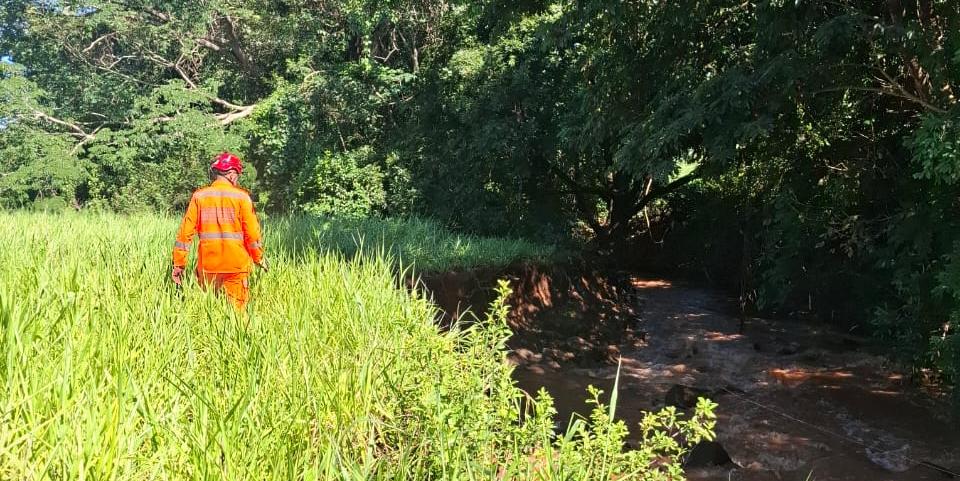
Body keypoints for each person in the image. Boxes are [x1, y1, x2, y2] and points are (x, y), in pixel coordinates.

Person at [171, 152, 267, 309]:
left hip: (208, 268)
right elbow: (252, 235)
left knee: (209, 314)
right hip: (235, 268)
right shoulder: (242, 197)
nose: (237, 179)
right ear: (231, 174)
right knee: (238, 318)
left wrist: (179, 265)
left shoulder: (199, 197)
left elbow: (184, 235)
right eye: (237, 175)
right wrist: (259, 259)